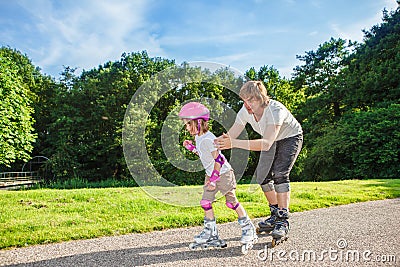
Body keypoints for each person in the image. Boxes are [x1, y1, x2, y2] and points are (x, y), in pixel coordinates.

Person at [215, 80, 303, 240]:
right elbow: (231, 134)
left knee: (279, 173)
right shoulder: (245, 111)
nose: (247, 104)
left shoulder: (275, 110)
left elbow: (266, 143)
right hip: (271, 140)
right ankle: (275, 214)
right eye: (244, 100)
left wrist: (233, 144)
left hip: (290, 137)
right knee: (263, 176)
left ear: (261, 98)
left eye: (251, 100)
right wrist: (211, 143)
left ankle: (283, 220)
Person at [178, 102, 257, 251]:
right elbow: (205, 154)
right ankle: (211, 234)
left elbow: (219, 160)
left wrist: (214, 180)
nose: (186, 128)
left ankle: (248, 228)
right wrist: (192, 148)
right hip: (211, 175)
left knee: (231, 202)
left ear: (199, 122)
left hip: (223, 174)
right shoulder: (199, 137)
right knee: (205, 202)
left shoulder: (208, 138)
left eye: (188, 124)